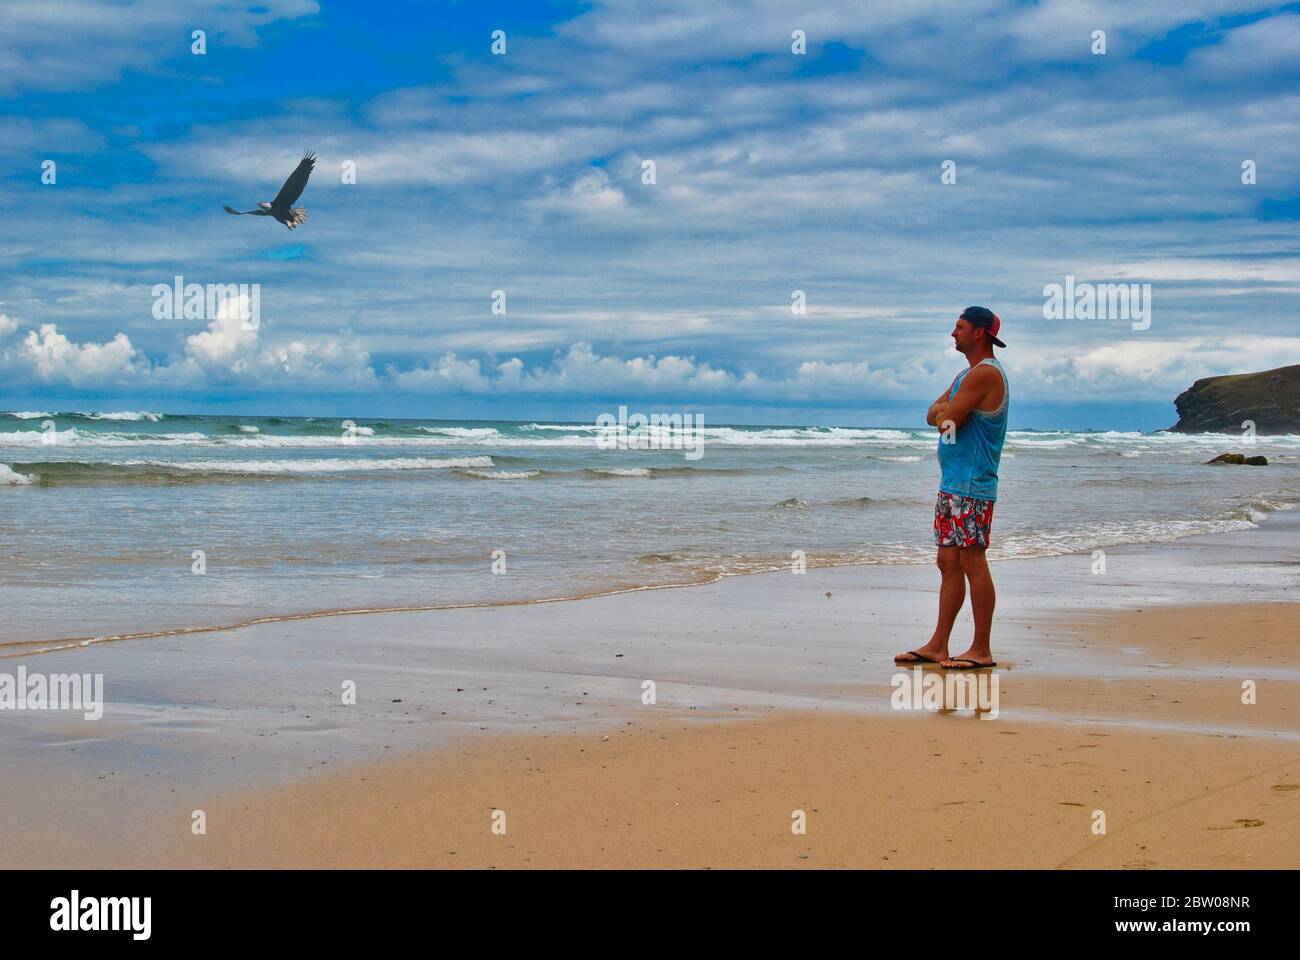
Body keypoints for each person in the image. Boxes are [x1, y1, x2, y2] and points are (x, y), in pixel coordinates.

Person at [895, 306, 1009, 670]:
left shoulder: (985, 374)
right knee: (947, 561)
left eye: (959, 327)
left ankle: (981, 649)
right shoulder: (967, 373)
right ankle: (938, 644)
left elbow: (944, 420)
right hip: (952, 484)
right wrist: (945, 411)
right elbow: (933, 413)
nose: (952, 333)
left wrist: (947, 411)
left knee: (972, 560)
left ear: (979, 333)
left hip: (972, 485)